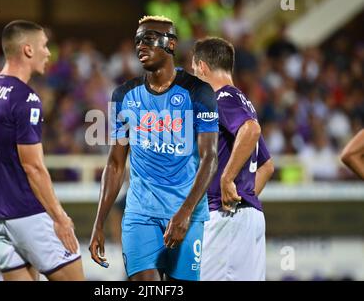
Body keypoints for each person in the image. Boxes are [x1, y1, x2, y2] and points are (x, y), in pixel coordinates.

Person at [89, 15, 219, 281]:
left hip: (186, 213)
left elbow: (210, 158)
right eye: (138, 40)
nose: (140, 46)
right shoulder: (124, 95)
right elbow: (115, 164)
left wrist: (185, 213)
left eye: (149, 39)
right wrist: (98, 222)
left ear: (171, 44)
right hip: (140, 214)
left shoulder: (198, 92)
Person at [0, 20, 84, 281]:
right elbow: (33, 167)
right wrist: (60, 217)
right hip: (28, 214)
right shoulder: (25, 98)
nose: (48, 52)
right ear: (28, 50)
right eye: (44, 46)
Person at [192, 37, 274, 281]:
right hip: (247, 218)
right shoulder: (243, 101)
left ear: (203, 67)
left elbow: (251, 130)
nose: (193, 74)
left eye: (193, 68)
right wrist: (244, 198)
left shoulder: (222, 99)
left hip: (224, 220)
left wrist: (227, 180)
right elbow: (267, 166)